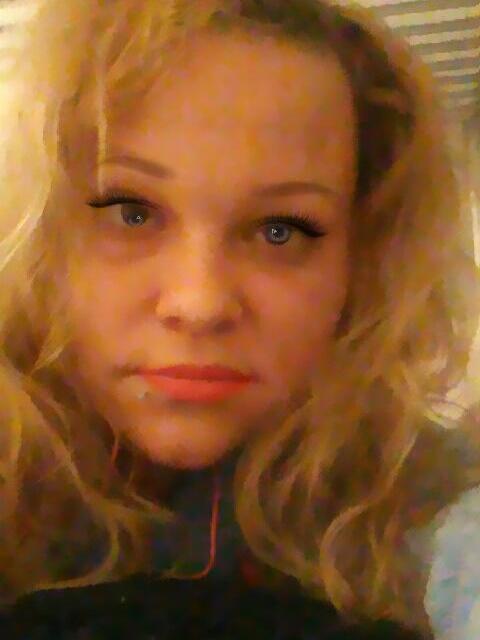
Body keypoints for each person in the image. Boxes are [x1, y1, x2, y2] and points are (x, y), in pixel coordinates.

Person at [0, 0, 478, 638]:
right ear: (36, 228)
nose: (199, 304)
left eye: (280, 230)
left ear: (363, 258)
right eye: (131, 212)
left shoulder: (429, 508)